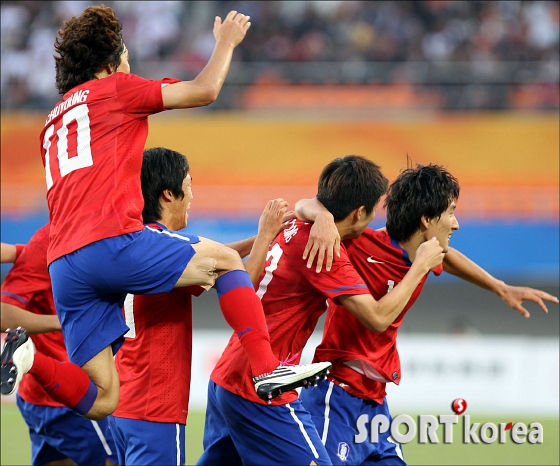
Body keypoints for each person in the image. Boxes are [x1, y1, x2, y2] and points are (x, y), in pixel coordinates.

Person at [0, 5, 330, 418]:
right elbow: (205, 89)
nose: (129, 66)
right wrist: (226, 42)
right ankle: (267, 371)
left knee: (103, 400)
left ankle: (30, 357)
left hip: (64, 265)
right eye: (124, 58)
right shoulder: (116, 89)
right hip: (112, 242)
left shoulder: (50, 124)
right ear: (107, 65)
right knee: (226, 261)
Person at [296, 163, 559, 465]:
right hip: (335, 394)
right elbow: (302, 206)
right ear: (426, 220)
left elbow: (447, 257)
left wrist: (501, 288)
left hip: (375, 402)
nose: (456, 223)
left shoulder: (424, 252)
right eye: (450, 212)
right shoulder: (358, 245)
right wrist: (324, 216)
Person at [197, 155, 445, 465]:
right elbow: (378, 318)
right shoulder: (325, 250)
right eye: (371, 215)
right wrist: (420, 266)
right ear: (358, 213)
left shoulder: (295, 224)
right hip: (262, 384)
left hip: (228, 376)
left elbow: (304, 205)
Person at [109, 147, 292, 465]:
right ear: (168, 194)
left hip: (120, 406)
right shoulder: (168, 247)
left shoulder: (133, 244)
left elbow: (214, 257)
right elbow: (237, 276)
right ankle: (267, 369)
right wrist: (263, 238)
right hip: (156, 411)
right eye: (189, 183)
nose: (192, 195)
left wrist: (262, 237)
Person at [1, 227, 117, 466]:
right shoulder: (50, 240)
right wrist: (65, 322)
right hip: (70, 396)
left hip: (40, 394)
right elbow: (3, 315)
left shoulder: (57, 241)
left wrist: (21, 251)